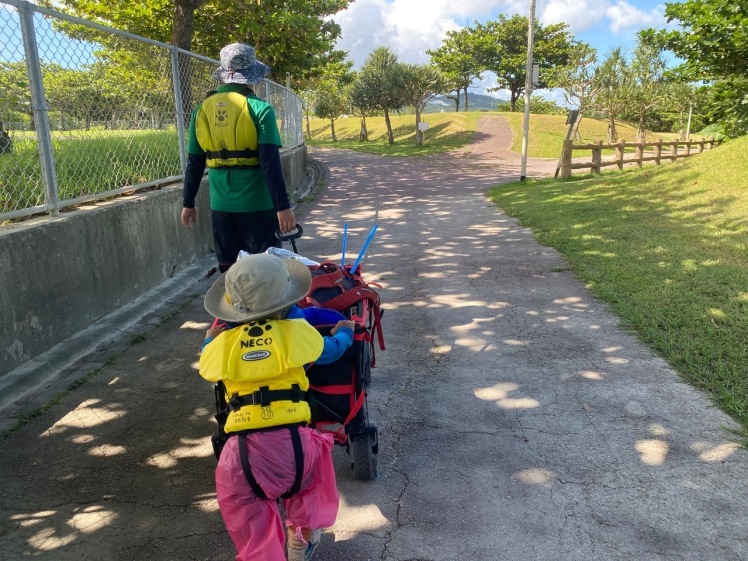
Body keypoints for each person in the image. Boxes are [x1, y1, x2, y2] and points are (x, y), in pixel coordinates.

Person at [199, 253, 355, 561]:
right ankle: (302, 534)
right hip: (294, 447)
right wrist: (345, 333)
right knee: (311, 485)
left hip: (241, 455)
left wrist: (207, 340)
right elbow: (331, 351)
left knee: (247, 517)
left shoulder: (223, 345)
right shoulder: (296, 332)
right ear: (289, 302)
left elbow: (207, 366)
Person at [181, 43, 296, 272]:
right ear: (252, 75)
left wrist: (188, 203)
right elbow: (270, 163)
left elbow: (194, 163)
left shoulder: (200, 110)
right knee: (266, 273)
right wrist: (282, 207)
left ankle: (234, 309)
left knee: (230, 271)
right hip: (259, 206)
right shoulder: (260, 109)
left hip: (221, 207)